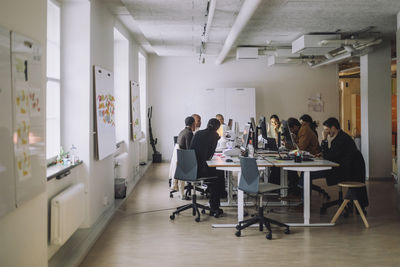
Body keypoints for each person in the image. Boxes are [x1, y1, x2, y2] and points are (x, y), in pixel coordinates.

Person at [319, 117, 368, 208]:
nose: (325, 132)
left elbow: (329, 156)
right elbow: (332, 153)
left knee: (322, 172)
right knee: (324, 171)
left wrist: (324, 140)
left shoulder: (342, 139)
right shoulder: (340, 136)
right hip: (348, 167)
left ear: (333, 128)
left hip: (351, 171)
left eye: (326, 130)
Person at [190, 118, 225, 217]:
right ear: (217, 128)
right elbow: (210, 155)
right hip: (200, 170)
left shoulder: (198, 133)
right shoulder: (214, 135)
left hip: (192, 167)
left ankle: (214, 197)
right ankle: (214, 207)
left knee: (216, 173)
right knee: (219, 175)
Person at [169, 116, 196, 199]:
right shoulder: (189, 133)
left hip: (177, 155)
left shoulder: (182, 131)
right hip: (182, 157)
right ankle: (182, 195)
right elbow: (189, 150)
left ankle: (182, 193)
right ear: (193, 124)